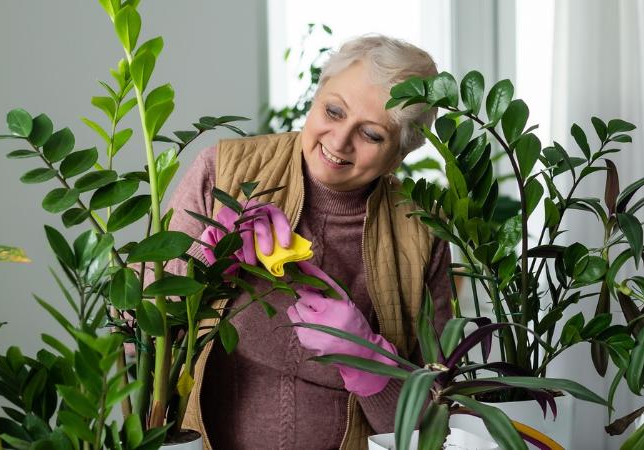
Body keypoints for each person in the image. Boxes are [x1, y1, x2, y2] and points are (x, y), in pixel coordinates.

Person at [167, 34, 453, 450]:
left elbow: (435, 423)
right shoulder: (224, 172)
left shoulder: (421, 232)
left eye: (371, 135)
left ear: (398, 155)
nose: (338, 142)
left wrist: (371, 362)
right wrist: (208, 255)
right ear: (316, 97)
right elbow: (137, 317)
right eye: (333, 111)